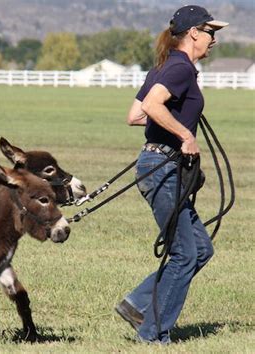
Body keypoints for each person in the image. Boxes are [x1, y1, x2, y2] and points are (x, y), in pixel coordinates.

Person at [115, 5, 228, 344]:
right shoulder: (180, 67)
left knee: (200, 249)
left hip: (159, 165)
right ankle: (152, 335)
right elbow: (149, 108)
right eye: (211, 32)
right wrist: (185, 135)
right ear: (194, 33)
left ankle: (137, 304)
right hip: (163, 166)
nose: (213, 40)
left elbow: (135, 115)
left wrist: (176, 118)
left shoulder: (166, 66)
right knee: (184, 253)